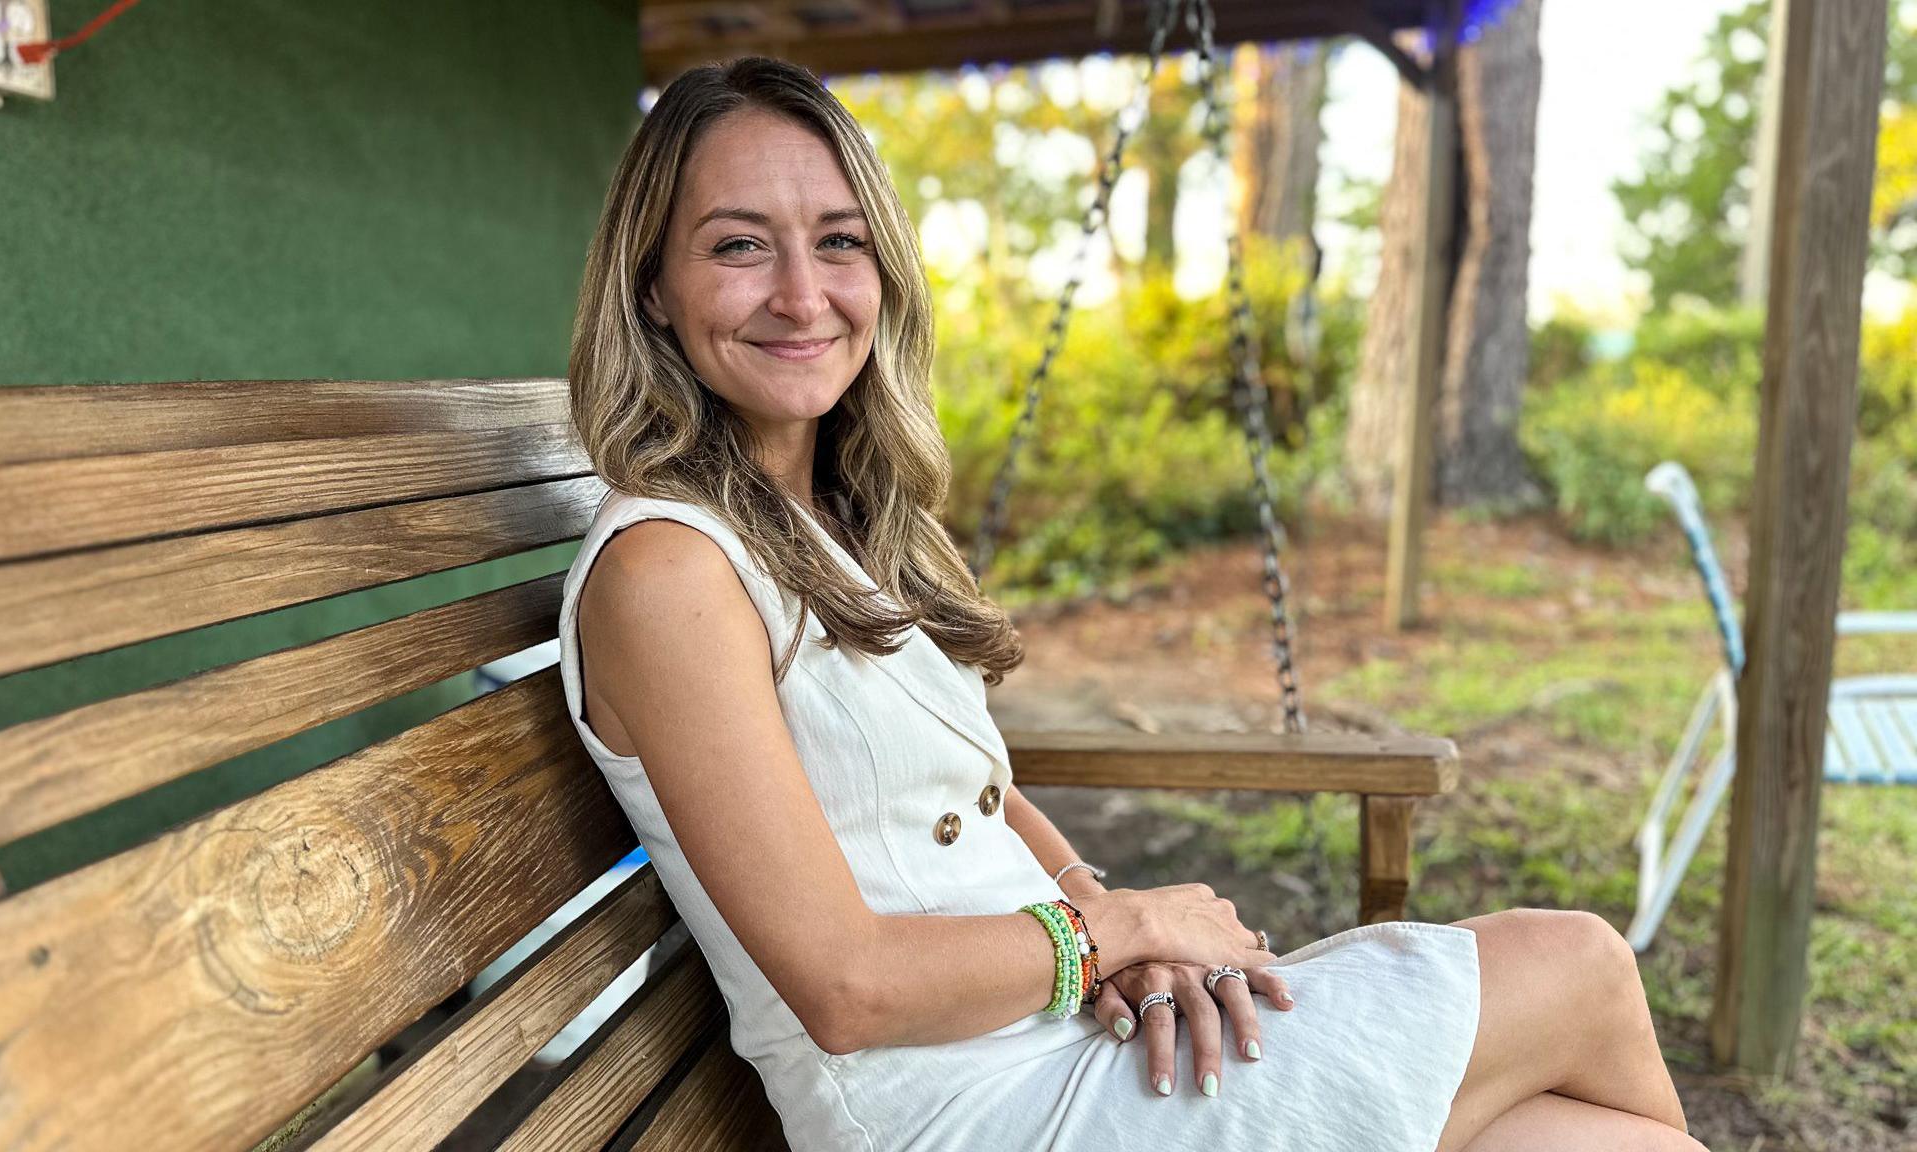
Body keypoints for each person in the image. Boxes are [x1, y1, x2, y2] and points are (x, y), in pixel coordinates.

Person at [558, 55, 1705, 1152]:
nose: (801, 294)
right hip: (972, 1115)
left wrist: (1097, 922)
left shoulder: (825, 522)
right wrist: (1124, 929)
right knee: (1578, 966)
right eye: (739, 246)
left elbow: (979, 798)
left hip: (1060, 1040)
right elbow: (846, 990)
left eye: (838, 241)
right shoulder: (667, 572)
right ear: (654, 287)